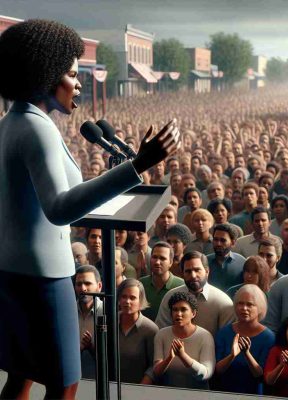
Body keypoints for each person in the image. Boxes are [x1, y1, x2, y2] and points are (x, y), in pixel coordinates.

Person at [0, 19, 180, 399]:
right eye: (70, 73)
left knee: (20, 375)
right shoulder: (38, 129)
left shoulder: (11, 123)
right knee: (64, 382)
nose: (79, 82)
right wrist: (138, 165)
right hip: (43, 277)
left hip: (13, 270)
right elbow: (60, 208)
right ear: (44, 73)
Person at [155, 251, 235, 336]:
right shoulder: (170, 297)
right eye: (188, 271)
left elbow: (226, 338)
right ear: (182, 274)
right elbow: (162, 332)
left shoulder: (223, 302)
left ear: (207, 271)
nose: (193, 275)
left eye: (197, 270)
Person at [215, 285, 275, 394]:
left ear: (260, 307)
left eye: (250, 304)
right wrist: (232, 355)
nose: (244, 308)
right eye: (240, 303)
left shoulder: (268, 338)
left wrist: (246, 353)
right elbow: (218, 370)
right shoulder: (224, 333)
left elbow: (260, 375)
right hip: (224, 392)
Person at [153, 292, 215, 389]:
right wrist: (169, 358)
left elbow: (206, 374)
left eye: (183, 310)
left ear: (193, 313)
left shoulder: (205, 336)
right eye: (175, 310)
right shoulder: (161, 335)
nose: (178, 314)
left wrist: (183, 356)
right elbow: (156, 372)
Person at [117, 279, 159, 384]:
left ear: (140, 301)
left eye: (132, 298)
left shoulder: (150, 329)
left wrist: (141, 388)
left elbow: (154, 365)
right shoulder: (108, 322)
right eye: (124, 297)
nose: (127, 301)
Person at [139, 242, 184, 322]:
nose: (157, 262)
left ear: (170, 262)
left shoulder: (181, 286)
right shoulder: (141, 284)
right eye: (154, 257)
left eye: (162, 258)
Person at [207, 224, 245, 291]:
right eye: (215, 239)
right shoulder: (204, 262)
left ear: (233, 243)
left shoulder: (242, 262)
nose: (218, 243)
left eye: (223, 240)